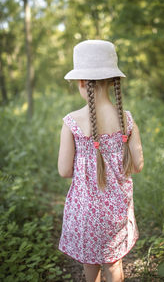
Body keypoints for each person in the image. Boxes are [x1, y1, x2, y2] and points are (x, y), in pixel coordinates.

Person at [57, 40, 144, 282]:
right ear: (112, 80)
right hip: (116, 212)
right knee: (114, 265)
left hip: (85, 215)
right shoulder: (127, 119)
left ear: (82, 82)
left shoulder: (71, 123)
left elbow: (64, 170)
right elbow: (137, 165)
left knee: (90, 266)